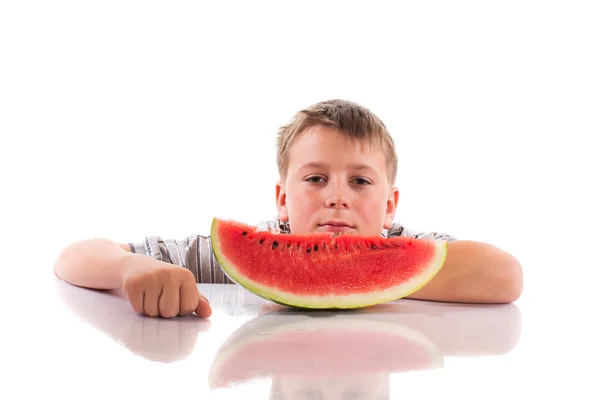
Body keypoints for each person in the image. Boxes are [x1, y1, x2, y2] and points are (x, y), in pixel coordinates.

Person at [54, 99, 523, 319]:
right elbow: (75, 256)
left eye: (360, 181)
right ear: (282, 199)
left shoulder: (411, 246)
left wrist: (363, 272)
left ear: (389, 205)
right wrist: (131, 267)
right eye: (316, 178)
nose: (337, 196)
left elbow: (505, 275)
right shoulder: (235, 254)